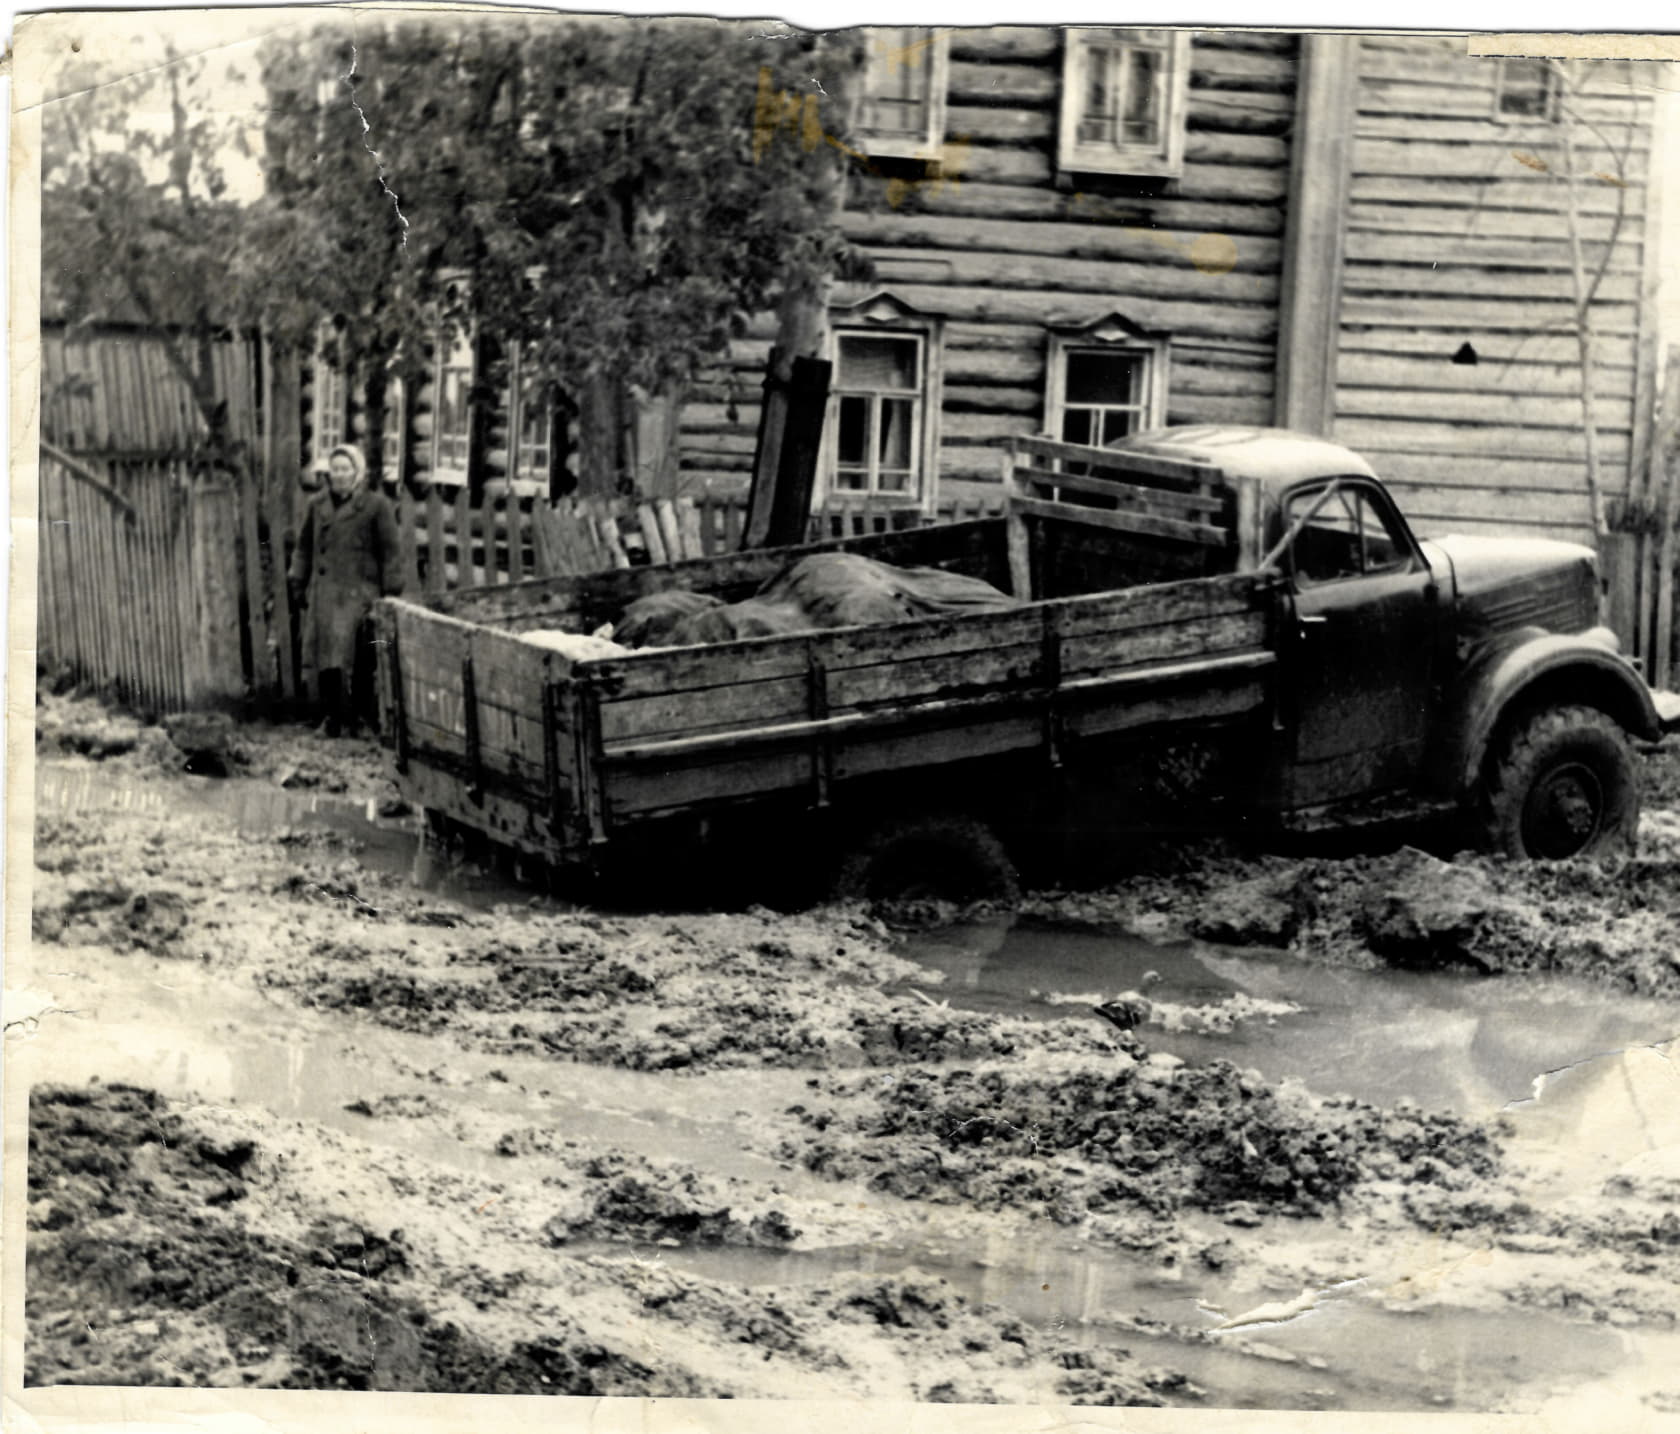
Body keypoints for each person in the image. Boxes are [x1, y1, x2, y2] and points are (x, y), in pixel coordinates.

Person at [287, 444, 403, 737]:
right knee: (326, 660)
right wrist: (298, 582)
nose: (339, 475)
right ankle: (332, 718)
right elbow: (303, 548)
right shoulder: (317, 505)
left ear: (357, 472)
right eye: (335, 469)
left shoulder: (376, 506)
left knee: (360, 659)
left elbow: (391, 552)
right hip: (325, 593)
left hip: (360, 593)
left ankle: (360, 719)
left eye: (345, 469)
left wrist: (390, 592)